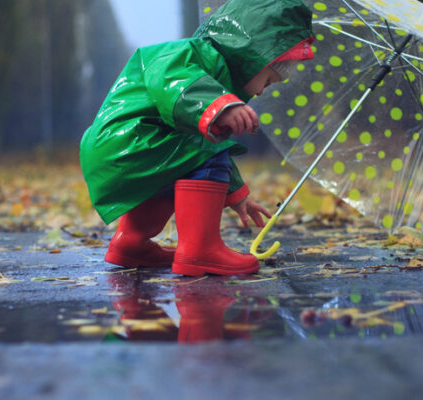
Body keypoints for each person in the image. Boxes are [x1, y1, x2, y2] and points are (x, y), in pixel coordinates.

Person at [80, 0, 315, 276]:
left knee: (183, 162)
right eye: (269, 80)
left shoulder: (215, 71)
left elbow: (205, 151)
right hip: (130, 142)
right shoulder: (195, 54)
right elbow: (173, 81)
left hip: (131, 147)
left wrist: (238, 195)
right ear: (256, 55)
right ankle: (199, 249)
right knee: (202, 150)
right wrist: (219, 104)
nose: (263, 92)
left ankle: (130, 243)